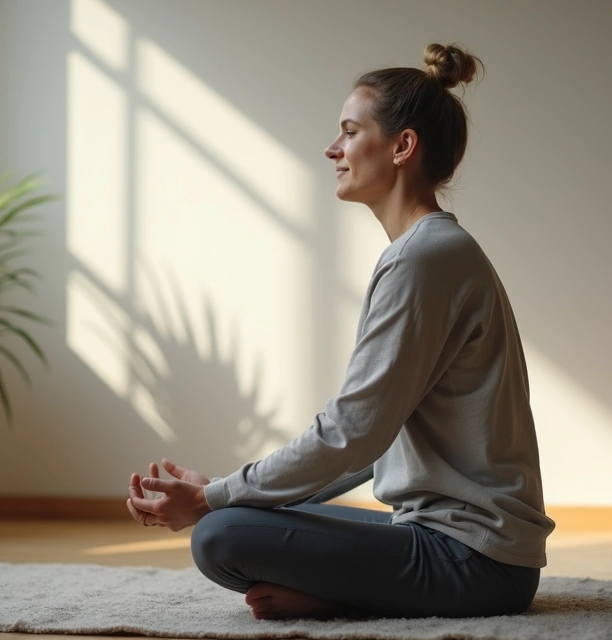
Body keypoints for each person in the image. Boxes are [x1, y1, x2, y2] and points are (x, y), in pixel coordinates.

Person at [126, 42, 554, 621]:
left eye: (350, 132)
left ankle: (341, 600)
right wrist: (226, 492)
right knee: (231, 520)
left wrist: (212, 499)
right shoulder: (429, 251)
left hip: (475, 562)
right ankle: (341, 593)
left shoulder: (423, 259)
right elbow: (370, 441)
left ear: (402, 146)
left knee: (219, 536)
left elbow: (352, 434)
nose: (333, 148)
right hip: (461, 548)